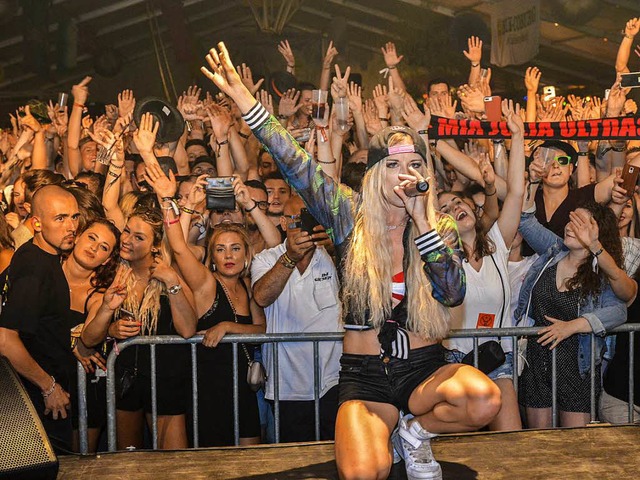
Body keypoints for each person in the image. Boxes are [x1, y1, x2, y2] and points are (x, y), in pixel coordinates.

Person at [201, 42, 501, 480]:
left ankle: (415, 433)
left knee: (484, 399)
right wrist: (246, 101)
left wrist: (424, 226)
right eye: (396, 165)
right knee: (365, 473)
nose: (408, 173)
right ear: (378, 172)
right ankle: (386, 436)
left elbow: (452, 292)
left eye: (416, 164)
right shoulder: (348, 215)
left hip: (424, 369)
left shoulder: (440, 228)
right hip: (364, 375)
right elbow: (295, 164)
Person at [144, 162, 265, 447]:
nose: (229, 256)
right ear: (211, 256)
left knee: (254, 464)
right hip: (207, 389)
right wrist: (169, 202)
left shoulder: (248, 285)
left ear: (246, 254)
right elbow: (178, 248)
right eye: (220, 250)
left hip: (243, 390)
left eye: (235, 248)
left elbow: (261, 328)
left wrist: (226, 326)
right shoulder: (206, 283)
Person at [438, 100, 525, 431]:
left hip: (496, 358)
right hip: (453, 362)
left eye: (458, 201)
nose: (455, 205)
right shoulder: (440, 262)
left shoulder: (497, 246)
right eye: (445, 207)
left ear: (473, 211)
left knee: (511, 442)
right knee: (462, 453)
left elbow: (516, 193)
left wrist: (517, 136)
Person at [81, 205, 196, 450]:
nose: (127, 240)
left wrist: (172, 282)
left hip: (166, 380)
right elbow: (90, 334)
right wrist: (111, 329)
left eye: (139, 237)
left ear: (155, 245)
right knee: (129, 461)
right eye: (126, 231)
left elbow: (187, 330)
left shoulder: (170, 274)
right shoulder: (113, 273)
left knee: (174, 463)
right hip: (127, 380)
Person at [516, 194, 632, 428]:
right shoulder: (553, 251)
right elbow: (526, 223)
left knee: (576, 447)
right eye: (571, 220)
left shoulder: (601, 274)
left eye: (582, 223)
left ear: (598, 233)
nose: (571, 226)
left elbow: (618, 312)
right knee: (539, 444)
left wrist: (572, 327)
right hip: (538, 364)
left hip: (578, 368)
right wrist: (530, 185)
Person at [252, 195, 342, 442]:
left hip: (333, 378)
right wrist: (290, 257)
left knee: (337, 453)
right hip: (287, 382)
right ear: (282, 222)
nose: (303, 226)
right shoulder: (267, 258)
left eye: (309, 218)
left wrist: (337, 249)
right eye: (296, 219)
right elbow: (262, 296)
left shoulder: (332, 254)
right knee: (296, 459)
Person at [0, 185, 80, 452]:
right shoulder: (35, 268)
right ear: (36, 223)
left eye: (74, 217)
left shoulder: (38, 255)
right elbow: (5, 339)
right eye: (60, 218)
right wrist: (48, 386)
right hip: (36, 402)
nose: (71, 226)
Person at [63, 218, 120, 452]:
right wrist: (70, 342)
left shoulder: (99, 294)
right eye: (91, 238)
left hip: (82, 391)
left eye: (104, 247)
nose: (94, 248)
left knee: (79, 463)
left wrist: (107, 308)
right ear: (77, 236)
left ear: (106, 259)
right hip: (36, 383)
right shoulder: (43, 270)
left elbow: (90, 338)